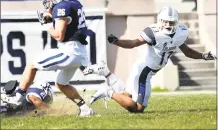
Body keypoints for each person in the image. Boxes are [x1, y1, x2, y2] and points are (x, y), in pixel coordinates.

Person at [83, 6, 217, 113]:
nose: (167, 25)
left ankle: (106, 73)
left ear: (176, 22)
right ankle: (108, 91)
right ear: (159, 20)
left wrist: (204, 56)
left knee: (127, 95)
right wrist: (117, 42)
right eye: (164, 21)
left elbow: (187, 51)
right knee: (137, 108)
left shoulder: (181, 33)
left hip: (147, 70)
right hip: (144, 71)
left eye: (170, 22)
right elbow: (134, 43)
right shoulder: (153, 32)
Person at [3, 0, 95, 117]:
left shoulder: (62, 7)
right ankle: (85, 109)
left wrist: (45, 25)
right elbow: (64, 18)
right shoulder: (74, 2)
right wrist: (50, 15)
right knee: (61, 84)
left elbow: (58, 35)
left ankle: (17, 97)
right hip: (79, 52)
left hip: (70, 51)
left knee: (32, 65)